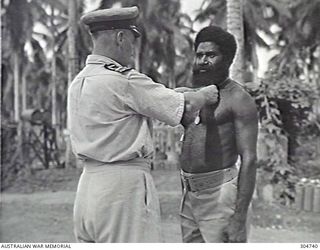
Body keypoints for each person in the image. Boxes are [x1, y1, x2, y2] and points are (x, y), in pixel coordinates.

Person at [67, 7, 219, 243]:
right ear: (120, 38)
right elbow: (185, 108)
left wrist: (181, 96)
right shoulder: (123, 80)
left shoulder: (80, 81)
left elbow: (160, 100)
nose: (132, 48)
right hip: (122, 189)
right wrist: (208, 94)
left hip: (88, 186)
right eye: (131, 40)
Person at [177, 26, 258, 243]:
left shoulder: (238, 99)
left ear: (228, 59)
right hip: (189, 195)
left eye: (211, 55)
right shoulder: (196, 97)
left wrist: (239, 218)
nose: (203, 61)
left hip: (220, 196)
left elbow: (249, 159)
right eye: (199, 55)